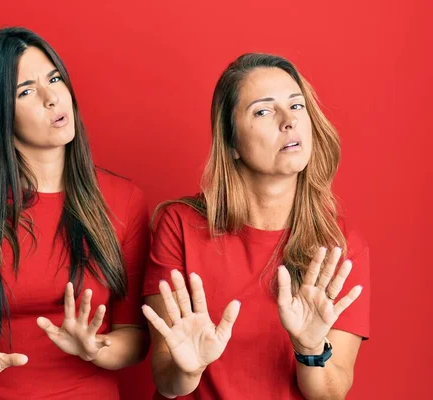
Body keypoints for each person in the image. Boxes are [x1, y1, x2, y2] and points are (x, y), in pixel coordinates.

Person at [0, 27, 149, 399]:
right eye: (26, 91)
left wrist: (97, 349)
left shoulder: (124, 199)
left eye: (54, 78)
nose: (51, 97)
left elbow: (134, 334)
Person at [142, 53, 370, 399]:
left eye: (297, 106)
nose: (288, 121)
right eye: (263, 111)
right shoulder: (179, 225)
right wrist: (188, 369)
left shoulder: (340, 245)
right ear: (231, 142)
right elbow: (166, 380)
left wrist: (310, 348)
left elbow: (330, 393)